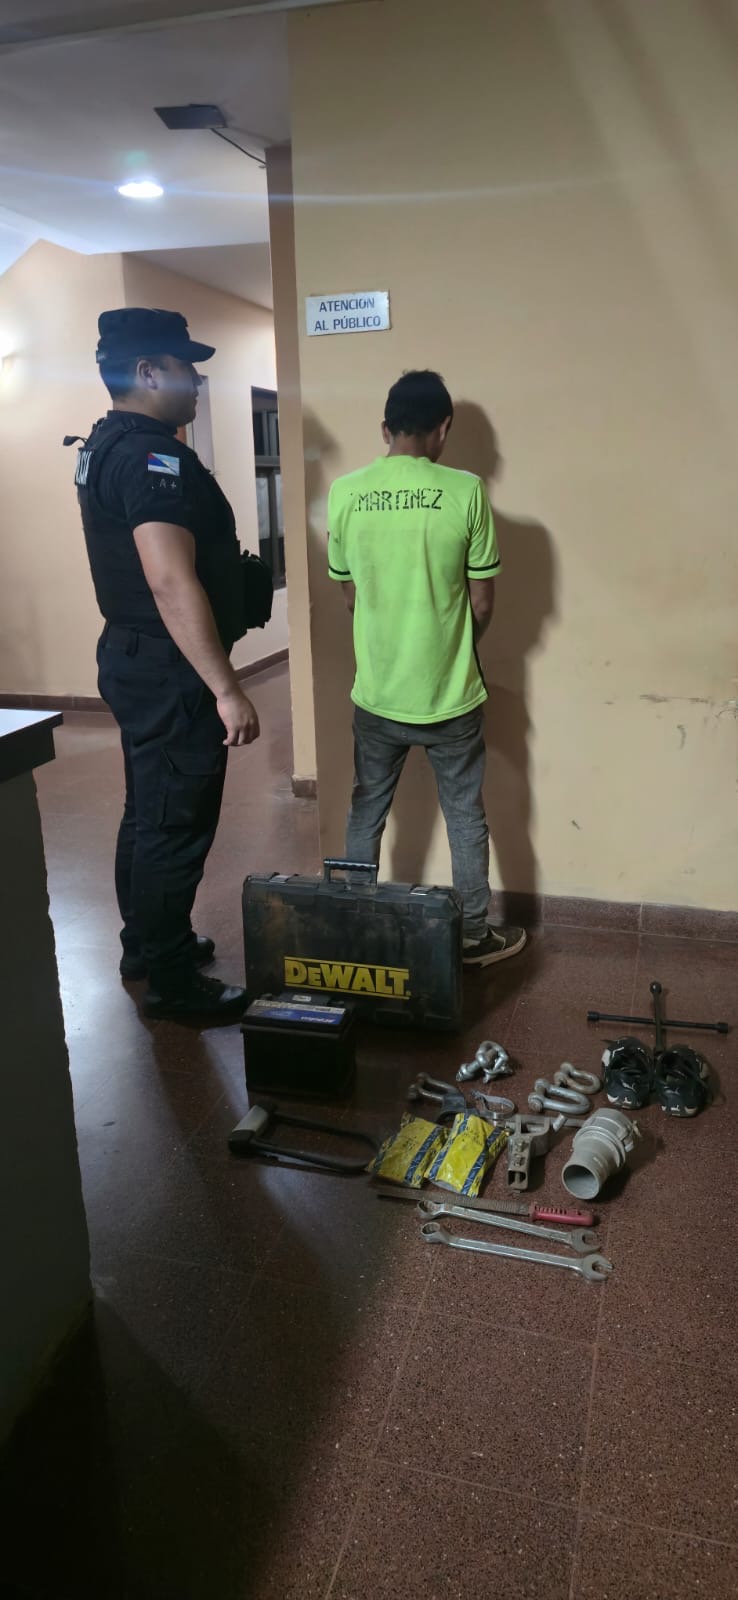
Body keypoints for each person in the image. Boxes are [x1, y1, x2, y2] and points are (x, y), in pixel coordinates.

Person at [72, 307, 258, 1020]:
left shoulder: (104, 443)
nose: (198, 381)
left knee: (148, 810)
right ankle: (173, 980)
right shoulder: (154, 457)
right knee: (175, 822)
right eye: (187, 368)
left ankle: (145, 947)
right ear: (149, 372)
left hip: (133, 656)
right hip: (169, 669)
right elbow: (169, 579)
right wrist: (226, 689)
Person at [327, 368, 526, 968]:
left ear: (385, 428)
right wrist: (452, 644)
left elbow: (351, 595)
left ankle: (352, 928)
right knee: (465, 815)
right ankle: (473, 937)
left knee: (366, 810)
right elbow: (482, 603)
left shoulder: (345, 493)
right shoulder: (466, 492)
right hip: (451, 695)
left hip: (377, 692)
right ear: (443, 429)